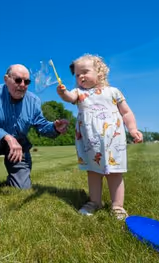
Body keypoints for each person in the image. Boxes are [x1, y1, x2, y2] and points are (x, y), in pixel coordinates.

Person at [56, 54, 143, 220]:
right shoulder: (79, 93)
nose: (80, 76)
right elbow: (69, 97)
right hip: (89, 141)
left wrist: (132, 129)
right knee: (93, 172)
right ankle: (94, 202)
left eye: (85, 72)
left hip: (113, 141)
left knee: (115, 173)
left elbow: (126, 112)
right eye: (77, 74)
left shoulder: (113, 92)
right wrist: (63, 92)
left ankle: (117, 206)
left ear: (100, 73)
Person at [0, 64, 69, 195]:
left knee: (22, 188)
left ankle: (13, 179)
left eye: (27, 82)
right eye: (18, 80)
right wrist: (7, 137)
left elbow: (41, 125)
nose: (23, 85)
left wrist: (54, 127)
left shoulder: (33, 101)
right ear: (6, 79)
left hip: (18, 146)